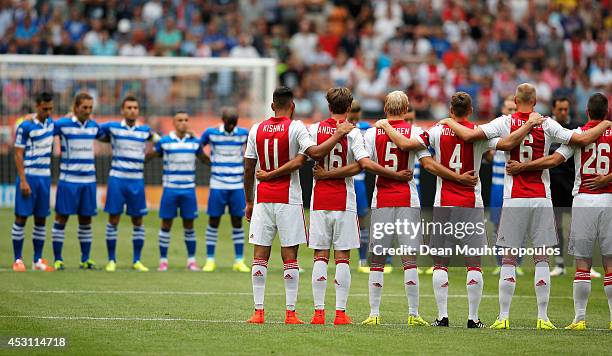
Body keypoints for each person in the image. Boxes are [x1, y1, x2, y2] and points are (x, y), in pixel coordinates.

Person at [442, 83, 612, 330]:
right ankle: (543, 318)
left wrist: (448, 122)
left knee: (509, 258)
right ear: (535, 101)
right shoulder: (547, 123)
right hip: (542, 197)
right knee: (541, 258)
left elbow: (469, 135)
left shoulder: (504, 122)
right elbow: (581, 139)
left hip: (514, 197)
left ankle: (503, 317)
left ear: (515, 98)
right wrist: (605, 125)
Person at [378, 91, 543, 328]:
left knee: (440, 262)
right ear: (471, 110)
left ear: (450, 109)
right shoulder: (478, 133)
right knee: (473, 263)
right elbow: (507, 143)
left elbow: (412, 150)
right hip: (471, 203)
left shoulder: (436, 131)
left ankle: (442, 317)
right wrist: (529, 124)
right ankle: (473, 318)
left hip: (443, 202)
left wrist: (385, 125)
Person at [362, 91, 477, 327]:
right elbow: (426, 163)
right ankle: (413, 314)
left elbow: (366, 164)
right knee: (409, 259)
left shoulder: (373, 132)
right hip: (408, 198)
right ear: (406, 110)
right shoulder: (415, 132)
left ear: (385, 108)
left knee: (377, 259)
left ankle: (374, 314)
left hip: (381, 197)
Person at [243, 86, 353, 325]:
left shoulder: (256, 129)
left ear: (272, 106)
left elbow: (249, 167)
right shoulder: (296, 127)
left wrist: (249, 200)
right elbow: (310, 154)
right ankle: (290, 313)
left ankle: (258, 312)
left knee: (260, 254)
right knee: (289, 255)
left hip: (262, 198)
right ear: (292, 106)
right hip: (288, 198)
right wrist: (338, 134)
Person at [303, 88, 414, 325]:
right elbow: (362, 165)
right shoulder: (353, 133)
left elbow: (310, 155)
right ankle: (340, 313)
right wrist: (396, 174)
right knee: (343, 257)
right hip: (345, 200)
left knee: (320, 256)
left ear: (328, 105)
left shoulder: (313, 129)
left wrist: (325, 175)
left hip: (319, 199)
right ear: (348, 106)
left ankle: (318, 313)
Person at [505, 93, 612, 331]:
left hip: (584, 199)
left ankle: (579, 319)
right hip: (609, 199)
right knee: (609, 263)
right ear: (606, 112)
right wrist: (607, 178)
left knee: (582, 263)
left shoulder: (579, 134)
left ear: (587, 111)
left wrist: (523, 166)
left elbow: (553, 160)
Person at [99, 96, 159, 272]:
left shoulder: (145, 130)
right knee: (114, 219)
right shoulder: (113, 128)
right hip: (117, 179)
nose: (132, 110)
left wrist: (150, 155)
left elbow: (162, 142)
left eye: (135, 107)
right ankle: (111, 260)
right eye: (129, 107)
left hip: (136, 180)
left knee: (138, 220)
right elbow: (93, 129)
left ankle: (137, 260)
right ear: (122, 110)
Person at [149, 111, 210, 272]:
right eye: (180, 120)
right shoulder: (165, 142)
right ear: (174, 123)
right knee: (166, 224)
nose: (183, 122)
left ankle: (191, 261)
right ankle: (163, 261)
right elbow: (152, 155)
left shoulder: (195, 143)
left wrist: (220, 164)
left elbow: (204, 159)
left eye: (186, 120)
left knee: (189, 225)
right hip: (170, 189)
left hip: (188, 190)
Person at [548, 97, 601, 278]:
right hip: (554, 184)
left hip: (573, 183)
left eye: (566, 109)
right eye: (560, 109)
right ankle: (560, 264)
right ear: (554, 110)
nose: (563, 112)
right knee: (556, 225)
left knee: (581, 226)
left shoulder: (578, 128)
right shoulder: (549, 128)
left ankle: (588, 263)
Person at [52, 93, 104, 270]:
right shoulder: (63, 124)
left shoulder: (93, 126)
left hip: (88, 181)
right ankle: (58, 259)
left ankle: (85, 259)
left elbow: (107, 135)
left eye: (90, 108)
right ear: (75, 107)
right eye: (85, 107)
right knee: (61, 218)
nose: (88, 111)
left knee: (86, 220)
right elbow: (44, 129)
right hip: (68, 180)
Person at [200, 108, 250, 273]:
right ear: (222, 120)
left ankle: (239, 260)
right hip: (218, 185)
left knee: (237, 221)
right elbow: (197, 147)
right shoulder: (211, 133)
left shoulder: (243, 133)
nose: (231, 127)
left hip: (236, 185)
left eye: (233, 124)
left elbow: (253, 150)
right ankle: (210, 260)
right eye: (229, 124)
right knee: (213, 221)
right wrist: (208, 161)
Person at [11, 92, 55, 272]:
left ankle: (37, 260)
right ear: (37, 106)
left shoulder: (52, 124)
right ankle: (18, 259)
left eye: (51, 109)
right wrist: (23, 180)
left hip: (44, 177)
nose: (48, 112)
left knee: (41, 219)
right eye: (45, 109)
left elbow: (70, 118)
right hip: (29, 176)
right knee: (21, 217)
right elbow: (18, 153)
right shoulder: (25, 126)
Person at [489, 96, 524, 276]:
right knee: (497, 226)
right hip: (497, 185)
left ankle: (516, 262)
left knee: (517, 225)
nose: (510, 113)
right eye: (508, 109)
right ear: (503, 110)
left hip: (515, 185)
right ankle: (500, 262)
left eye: (513, 109)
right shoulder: (495, 129)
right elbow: (488, 156)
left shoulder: (523, 131)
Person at [346, 100, 373, 274]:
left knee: (363, 222)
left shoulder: (367, 128)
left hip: (360, 181)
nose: (355, 122)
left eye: (356, 119)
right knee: (343, 222)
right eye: (352, 119)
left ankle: (363, 260)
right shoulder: (342, 128)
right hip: (345, 179)